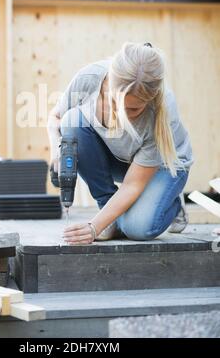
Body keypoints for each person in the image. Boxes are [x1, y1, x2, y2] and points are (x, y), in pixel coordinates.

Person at [47, 42, 194, 245]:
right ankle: (110, 212)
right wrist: (58, 151)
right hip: (121, 157)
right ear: (109, 82)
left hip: (163, 167)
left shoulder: (162, 110)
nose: (120, 113)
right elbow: (55, 118)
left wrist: (93, 227)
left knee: (137, 228)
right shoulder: (88, 79)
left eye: (132, 109)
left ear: (150, 100)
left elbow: (133, 184)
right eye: (114, 102)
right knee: (71, 122)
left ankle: (171, 202)